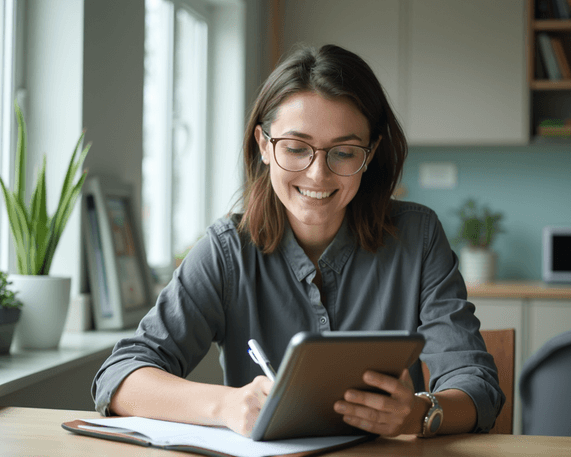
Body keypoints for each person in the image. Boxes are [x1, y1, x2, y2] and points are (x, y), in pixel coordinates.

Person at [92, 44, 504, 438]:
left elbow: (477, 387)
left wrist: (417, 414)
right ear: (264, 146)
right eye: (295, 148)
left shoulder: (419, 237)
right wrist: (226, 406)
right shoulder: (226, 251)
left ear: (371, 153)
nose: (317, 175)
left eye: (343, 152)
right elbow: (119, 376)